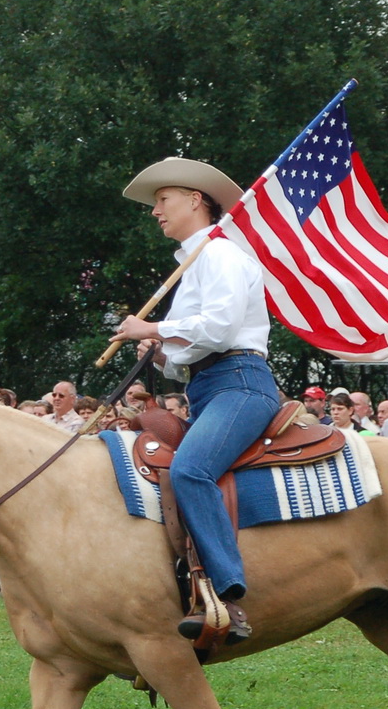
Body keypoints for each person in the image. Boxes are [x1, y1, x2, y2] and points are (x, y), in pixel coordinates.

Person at [111, 157, 281, 645]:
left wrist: (153, 328)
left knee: (190, 469)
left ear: (194, 200)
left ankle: (226, 592)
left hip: (240, 383)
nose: (155, 211)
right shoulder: (195, 262)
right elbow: (193, 351)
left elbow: (221, 329)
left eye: (162, 200)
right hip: (210, 385)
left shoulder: (221, 255)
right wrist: (160, 354)